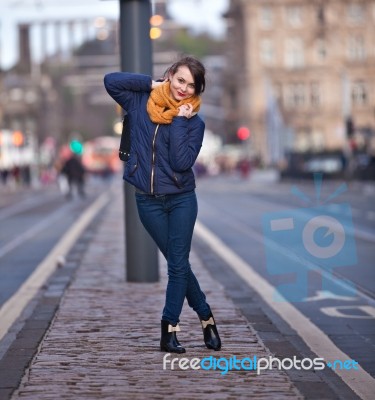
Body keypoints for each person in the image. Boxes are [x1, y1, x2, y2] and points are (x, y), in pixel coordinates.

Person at [104, 56, 221, 353]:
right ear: (170, 75)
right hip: (148, 201)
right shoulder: (139, 102)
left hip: (181, 199)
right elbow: (110, 81)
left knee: (177, 266)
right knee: (178, 264)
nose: (183, 88)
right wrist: (150, 84)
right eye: (180, 79)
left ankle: (169, 329)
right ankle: (206, 317)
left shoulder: (194, 122)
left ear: (197, 91)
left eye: (191, 86)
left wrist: (180, 121)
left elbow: (182, 162)